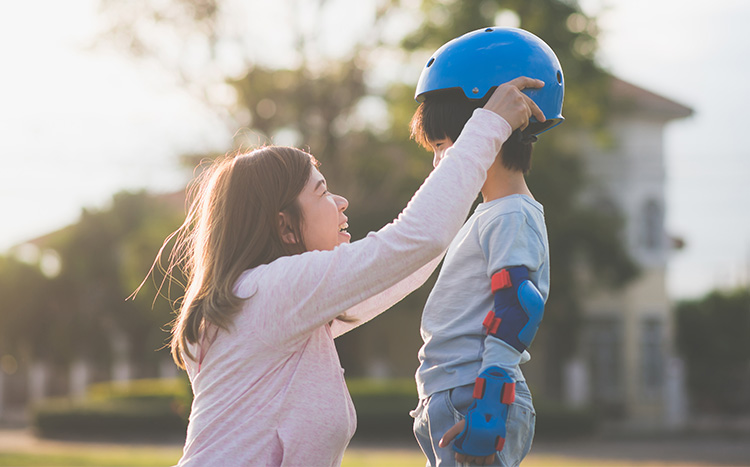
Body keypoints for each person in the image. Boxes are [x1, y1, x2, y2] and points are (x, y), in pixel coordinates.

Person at [138, 76, 545, 466]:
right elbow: (414, 242)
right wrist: (488, 126)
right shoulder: (272, 292)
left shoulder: (275, 310)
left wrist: (464, 169)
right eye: (322, 192)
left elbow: (407, 263)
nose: (342, 201)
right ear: (284, 225)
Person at [409, 27, 565, 466]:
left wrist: (491, 406)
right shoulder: (491, 214)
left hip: (477, 399)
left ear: (491, 131)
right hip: (456, 396)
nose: (439, 162)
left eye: (442, 145)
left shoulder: (511, 215)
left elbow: (518, 305)